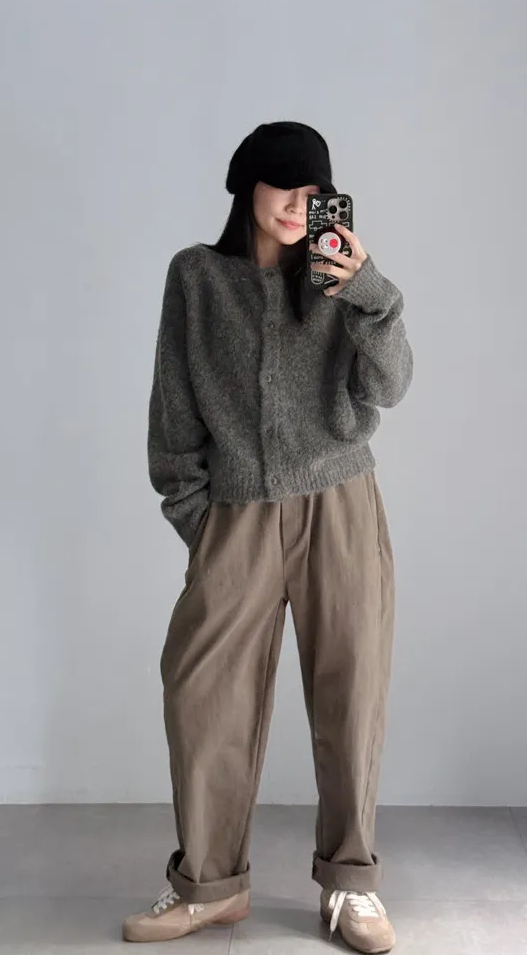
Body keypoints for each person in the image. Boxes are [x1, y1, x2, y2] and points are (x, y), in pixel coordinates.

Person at [123, 121, 413, 953]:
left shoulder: (338, 278)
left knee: (352, 692)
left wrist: (369, 291)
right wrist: (198, 516)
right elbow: (174, 404)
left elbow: (391, 386)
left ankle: (351, 885)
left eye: (313, 190)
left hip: (340, 506)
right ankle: (209, 887)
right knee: (201, 693)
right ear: (246, 184)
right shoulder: (196, 277)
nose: (297, 203)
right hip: (236, 514)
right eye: (283, 184)